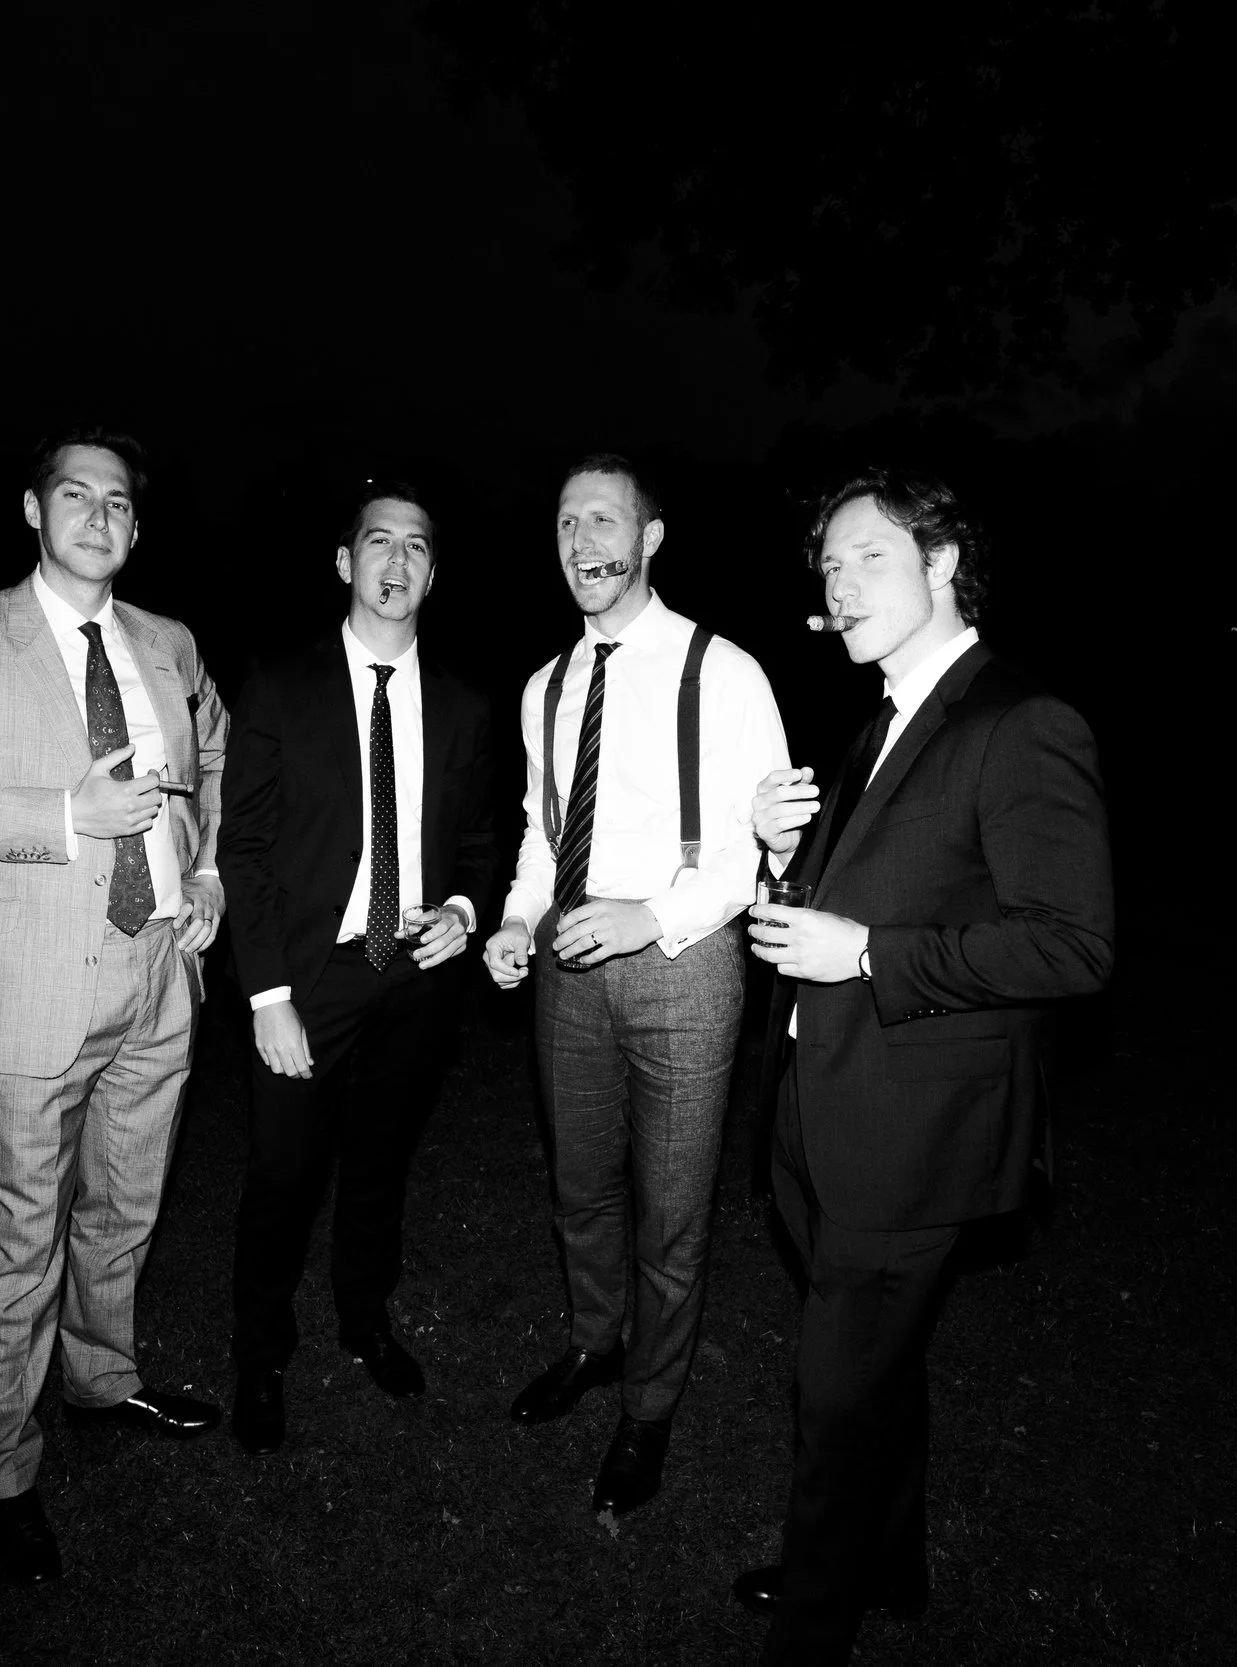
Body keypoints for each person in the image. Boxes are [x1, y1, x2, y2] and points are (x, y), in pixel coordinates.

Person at [732, 467, 1113, 1663]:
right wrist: (777, 852)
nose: (838, 587)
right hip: (822, 1109)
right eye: (828, 567)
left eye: (868, 558)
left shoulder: (1018, 720)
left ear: (943, 564)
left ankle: (813, 1624)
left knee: (834, 1407)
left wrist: (869, 954)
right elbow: (837, 903)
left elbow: (1073, 941)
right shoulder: (886, 715)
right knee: (876, 1375)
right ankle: (888, 1563)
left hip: (911, 1137)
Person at [0, 429, 228, 1589]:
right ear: (33, 511)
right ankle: (4, 1469)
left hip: (160, 973)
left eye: (118, 501)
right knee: (24, 1237)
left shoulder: (168, 643)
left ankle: (102, 1377)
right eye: (75, 494)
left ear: (135, 525)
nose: (98, 514)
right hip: (32, 989)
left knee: (125, 1205)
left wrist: (205, 870)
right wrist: (66, 815)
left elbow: (210, 759)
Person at [482, 454, 791, 1514]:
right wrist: (519, 921)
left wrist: (650, 916)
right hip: (569, 969)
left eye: (603, 519)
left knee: (670, 1208)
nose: (580, 541)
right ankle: (592, 1342)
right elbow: (539, 831)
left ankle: (649, 1405)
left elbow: (759, 851)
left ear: (650, 538)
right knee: (580, 1186)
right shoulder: (546, 685)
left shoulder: (728, 671)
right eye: (566, 522)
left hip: (685, 966)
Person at [218, 482, 496, 1454]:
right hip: (307, 981)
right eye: (378, 541)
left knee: (380, 1163)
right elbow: (242, 847)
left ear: (432, 572)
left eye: (416, 546)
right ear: (345, 562)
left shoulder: (462, 705)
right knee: (283, 1173)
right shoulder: (282, 685)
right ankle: (261, 1351)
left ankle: (364, 1318)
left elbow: (481, 841)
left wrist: (464, 909)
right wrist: (267, 995)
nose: (396, 561)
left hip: (414, 976)